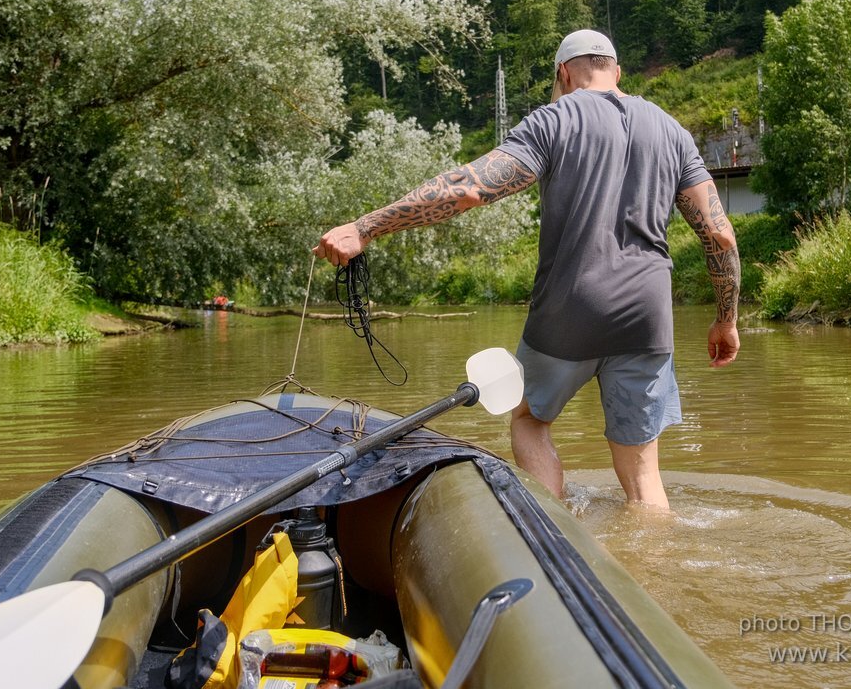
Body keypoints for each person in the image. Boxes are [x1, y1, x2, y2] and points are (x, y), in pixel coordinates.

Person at [314, 29, 740, 509]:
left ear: (563, 73)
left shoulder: (555, 118)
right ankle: (654, 566)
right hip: (648, 316)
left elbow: (470, 188)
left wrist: (366, 226)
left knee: (530, 421)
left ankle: (553, 533)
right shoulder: (672, 131)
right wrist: (726, 319)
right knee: (643, 474)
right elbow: (720, 236)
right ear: (616, 72)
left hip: (571, 307)